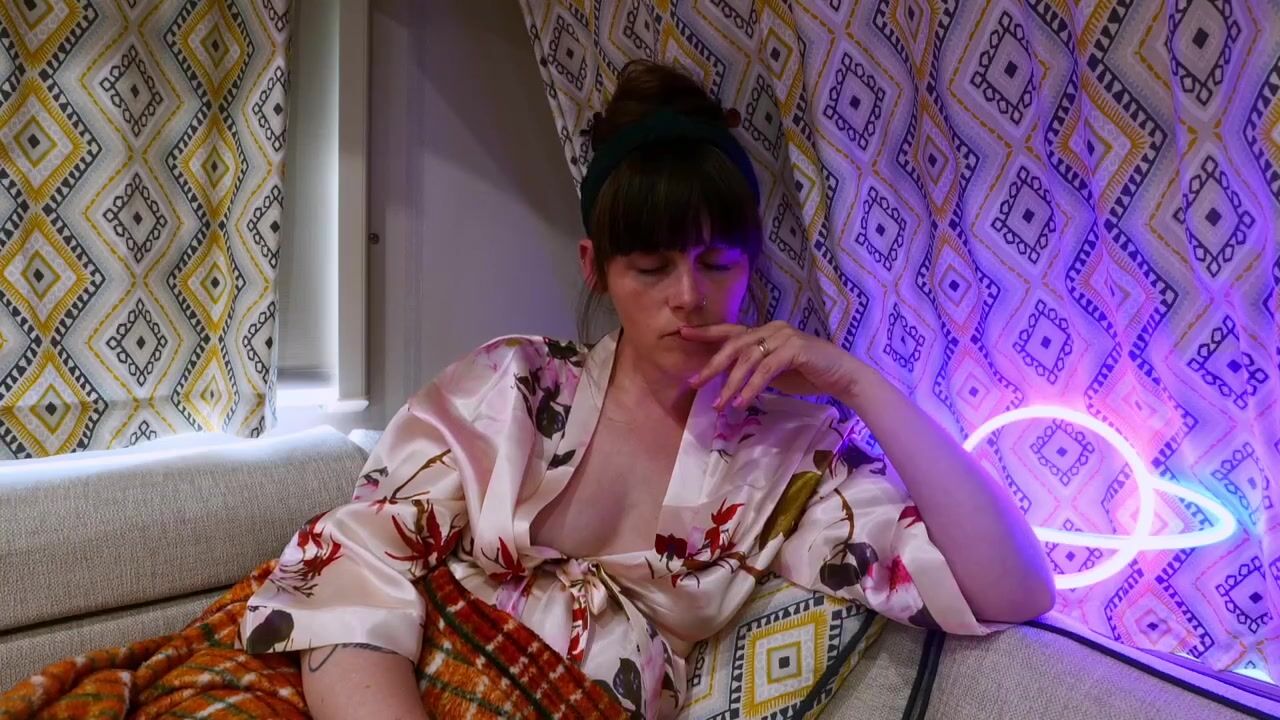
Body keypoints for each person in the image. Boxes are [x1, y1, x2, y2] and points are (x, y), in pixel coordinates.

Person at [241, 59, 1054, 720]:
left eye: (716, 263)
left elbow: (1013, 590)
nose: (688, 297)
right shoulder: (515, 387)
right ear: (596, 268)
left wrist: (859, 383)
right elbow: (349, 564)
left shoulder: (785, 461)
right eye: (651, 267)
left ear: (750, 266)